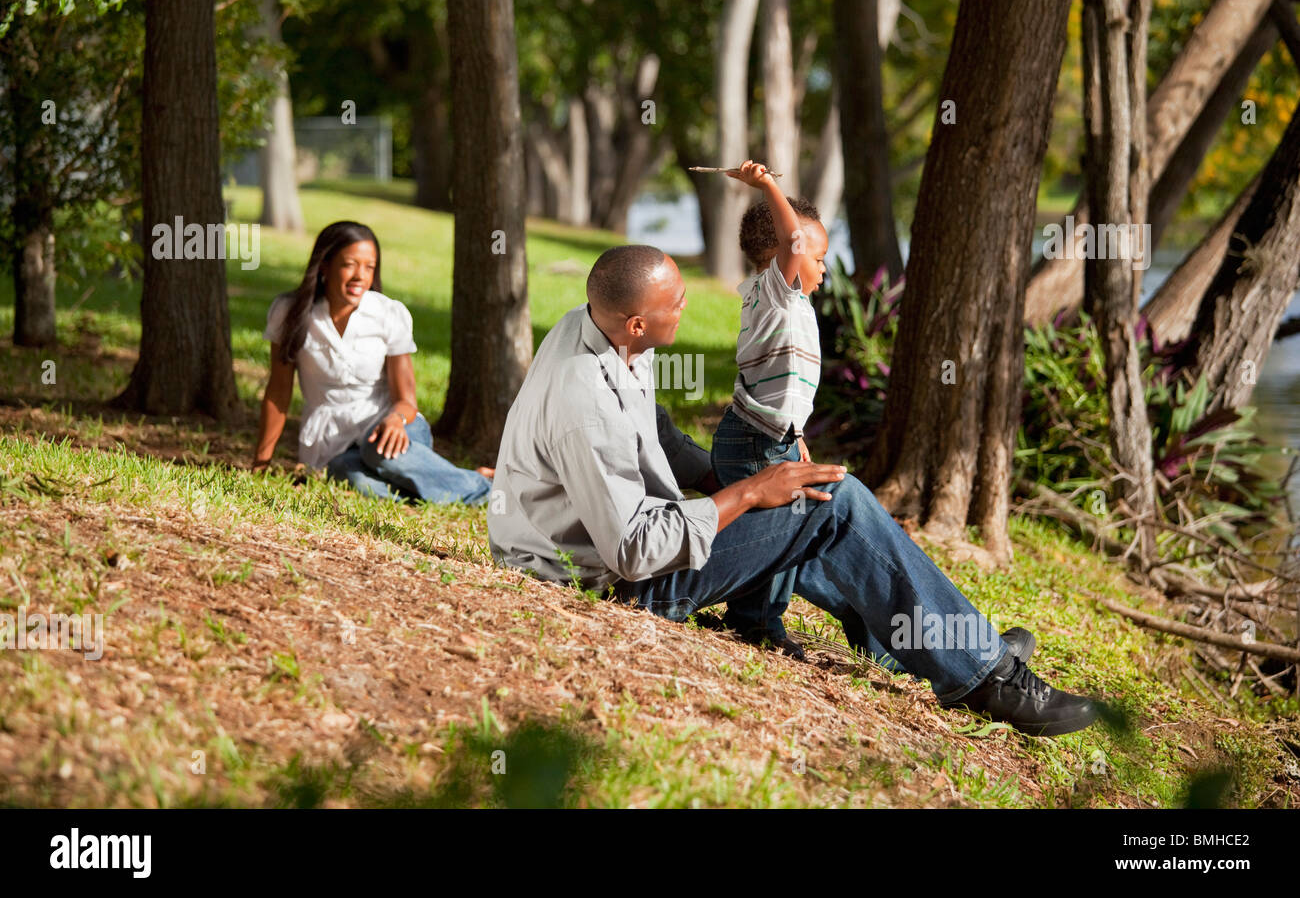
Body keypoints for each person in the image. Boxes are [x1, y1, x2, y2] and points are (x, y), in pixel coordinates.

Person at [487, 244, 1098, 737]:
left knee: (805, 496)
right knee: (837, 503)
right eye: (676, 301)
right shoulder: (585, 405)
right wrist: (748, 494)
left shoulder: (602, 329)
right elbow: (634, 552)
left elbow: (652, 433)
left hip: (621, 547)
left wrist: (722, 481)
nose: (687, 303)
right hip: (610, 582)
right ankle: (987, 678)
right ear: (640, 320)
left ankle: (929, 645)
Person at [252, 220, 493, 505]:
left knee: (375, 451)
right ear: (325, 266)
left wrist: (395, 419)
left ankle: (493, 492)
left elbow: (407, 401)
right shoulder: (289, 312)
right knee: (352, 477)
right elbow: (278, 392)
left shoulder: (388, 314)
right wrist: (261, 462)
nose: (360, 276)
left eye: (369, 267)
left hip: (395, 428)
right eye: (350, 264)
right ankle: (462, 483)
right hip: (333, 443)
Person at [709, 160, 828, 656]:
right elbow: (794, 244)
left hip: (769, 432)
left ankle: (753, 616)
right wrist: (766, 185)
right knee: (783, 524)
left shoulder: (784, 302)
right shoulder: (776, 293)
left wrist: (796, 436)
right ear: (783, 254)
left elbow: (786, 386)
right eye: (817, 258)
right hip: (756, 439)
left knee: (779, 523)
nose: (821, 267)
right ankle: (757, 624)